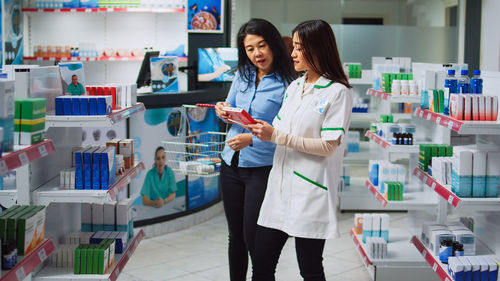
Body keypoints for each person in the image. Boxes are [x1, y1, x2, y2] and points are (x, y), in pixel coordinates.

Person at [248, 19, 353, 281]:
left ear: (317, 49)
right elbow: (282, 130)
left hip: (309, 193)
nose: (292, 53)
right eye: (293, 47)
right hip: (279, 190)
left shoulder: (337, 92)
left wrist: (278, 136)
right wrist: (261, 129)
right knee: (261, 266)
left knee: (310, 270)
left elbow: (328, 146)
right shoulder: (294, 87)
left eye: (298, 48)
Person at [214, 18, 296, 281]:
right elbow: (229, 107)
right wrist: (222, 111)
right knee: (235, 235)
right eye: (250, 49)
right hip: (231, 165)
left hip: (262, 168)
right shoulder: (242, 75)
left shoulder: (289, 84)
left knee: (254, 238)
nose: (257, 53)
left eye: (261, 46)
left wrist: (253, 140)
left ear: (273, 44)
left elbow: (287, 130)